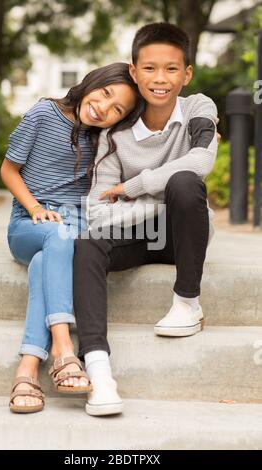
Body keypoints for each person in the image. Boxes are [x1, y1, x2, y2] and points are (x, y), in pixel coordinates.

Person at [73, 22, 218, 417]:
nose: (160, 79)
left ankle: (187, 303)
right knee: (85, 245)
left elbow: (201, 161)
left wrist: (136, 185)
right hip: (135, 237)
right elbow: (99, 215)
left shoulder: (199, 108)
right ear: (134, 73)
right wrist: (158, 201)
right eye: (150, 68)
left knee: (186, 182)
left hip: (182, 237)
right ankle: (99, 372)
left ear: (186, 74)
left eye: (172, 69)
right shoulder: (115, 134)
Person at [0, 62, 144, 413]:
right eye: (106, 93)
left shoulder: (105, 138)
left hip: (71, 228)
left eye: (117, 110)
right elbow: (8, 169)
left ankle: (28, 368)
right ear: (94, 81)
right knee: (58, 239)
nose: (103, 108)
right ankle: (63, 347)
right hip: (28, 223)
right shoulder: (42, 113)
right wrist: (35, 208)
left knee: (44, 262)